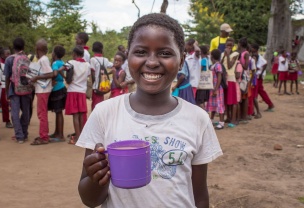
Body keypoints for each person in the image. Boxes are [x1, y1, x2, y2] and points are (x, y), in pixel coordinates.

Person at [76, 13, 223, 208]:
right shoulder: (105, 113)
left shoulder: (198, 119)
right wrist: (96, 177)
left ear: (181, 61)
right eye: (141, 52)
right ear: (128, 57)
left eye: (165, 53)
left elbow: (200, 197)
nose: (152, 62)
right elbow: (90, 200)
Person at [4, 38, 33, 144]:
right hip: (26, 88)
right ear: (23, 47)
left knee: (15, 113)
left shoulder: (9, 59)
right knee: (26, 111)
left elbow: (7, 77)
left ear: (13, 47)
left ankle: (19, 136)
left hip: (13, 88)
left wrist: (7, 92)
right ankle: (24, 133)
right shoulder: (27, 58)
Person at [63, 46, 90, 145]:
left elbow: (62, 69)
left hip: (73, 90)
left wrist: (65, 77)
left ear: (74, 54)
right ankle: (82, 136)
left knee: (75, 115)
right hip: (82, 91)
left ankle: (77, 138)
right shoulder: (87, 64)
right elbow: (88, 76)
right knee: (81, 115)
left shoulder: (71, 62)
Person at [30, 39, 54, 145]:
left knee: (42, 113)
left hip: (43, 90)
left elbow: (51, 74)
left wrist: (36, 77)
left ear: (38, 48)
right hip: (42, 89)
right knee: (41, 113)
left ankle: (44, 137)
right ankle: (44, 135)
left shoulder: (43, 60)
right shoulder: (42, 59)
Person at [48, 45, 67, 142]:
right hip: (61, 87)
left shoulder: (55, 63)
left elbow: (55, 73)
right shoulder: (62, 62)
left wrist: (52, 77)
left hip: (57, 89)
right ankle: (57, 132)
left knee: (58, 112)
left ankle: (60, 135)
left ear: (54, 53)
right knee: (58, 112)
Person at [251, 43, 275, 112]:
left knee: (255, 91)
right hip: (258, 76)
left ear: (255, 49)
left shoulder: (257, 56)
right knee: (260, 91)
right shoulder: (255, 56)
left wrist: (261, 73)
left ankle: (253, 108)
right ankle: (270, 104)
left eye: (252, 47)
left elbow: (265, 63)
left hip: (258, 77)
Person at [221, 38, 239, 127]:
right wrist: (224, 56)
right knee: (227, 100)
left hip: (231, 78)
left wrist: (227, 55)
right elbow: (219, 65)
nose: (229, 47)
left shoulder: (235, 54)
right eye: (227, 45)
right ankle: (228, 117)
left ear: (233, 46)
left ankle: (233, 119)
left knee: (233, 101)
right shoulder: (222, 54)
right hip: (224, 79)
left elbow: (229, 65)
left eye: (230, 45)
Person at [90, 41, 113, 110]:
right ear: (102, 49)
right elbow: (113, 66)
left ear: (93, 49)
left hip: (96, 86)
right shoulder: (105, 60)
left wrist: (94, 84)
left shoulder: (93, 60)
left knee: (95, 105)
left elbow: (92, 73)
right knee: (100, 103)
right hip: (103, 85)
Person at [206, 49, 225, 130]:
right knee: (213, 105)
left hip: (216, 88)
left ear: (212, 56)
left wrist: (216, 89)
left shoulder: (218, 65)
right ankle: (212, 119)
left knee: (219, 104)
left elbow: (219, 77)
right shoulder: (213, 65)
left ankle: (221, 122)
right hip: (212, 88)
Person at [0, 48, 13, 128]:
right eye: (7, 54)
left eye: (10, 53)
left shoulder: (10, 62)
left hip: (10, 84)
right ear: (2, 55)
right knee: (5, 104)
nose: (9, 55)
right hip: (3, 85)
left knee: (11, 104)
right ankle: (7, 121)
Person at [238, 37, 250, 124]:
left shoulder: (246, 53)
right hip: (240, 75)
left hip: (244, 76)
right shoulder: (240, 53)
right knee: (241, 96)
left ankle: (244, 116)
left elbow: (246, 66)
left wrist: (238, 62)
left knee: (245, 96)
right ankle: (241, 115)